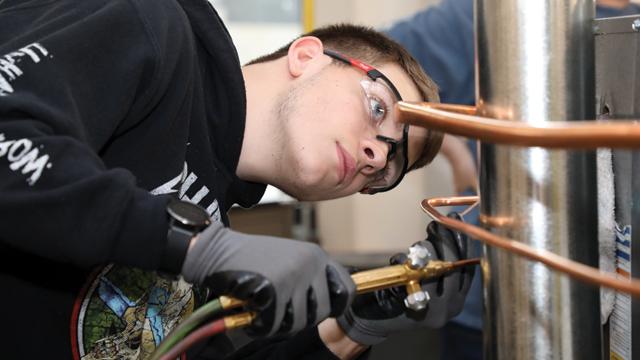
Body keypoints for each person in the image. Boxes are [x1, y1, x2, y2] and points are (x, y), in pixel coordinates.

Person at [0, 0, 474, 359]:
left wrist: (355, 326)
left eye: (389, 168)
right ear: (307, 56)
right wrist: (194, 245)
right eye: (377, 108)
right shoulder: (149, 24)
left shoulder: (217, 217)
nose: (375, 155)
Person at [386, 1, 640, 359]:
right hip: (494, 303)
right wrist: (454, 146)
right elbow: (378, 77)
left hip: (615, 307)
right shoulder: (483, 16)